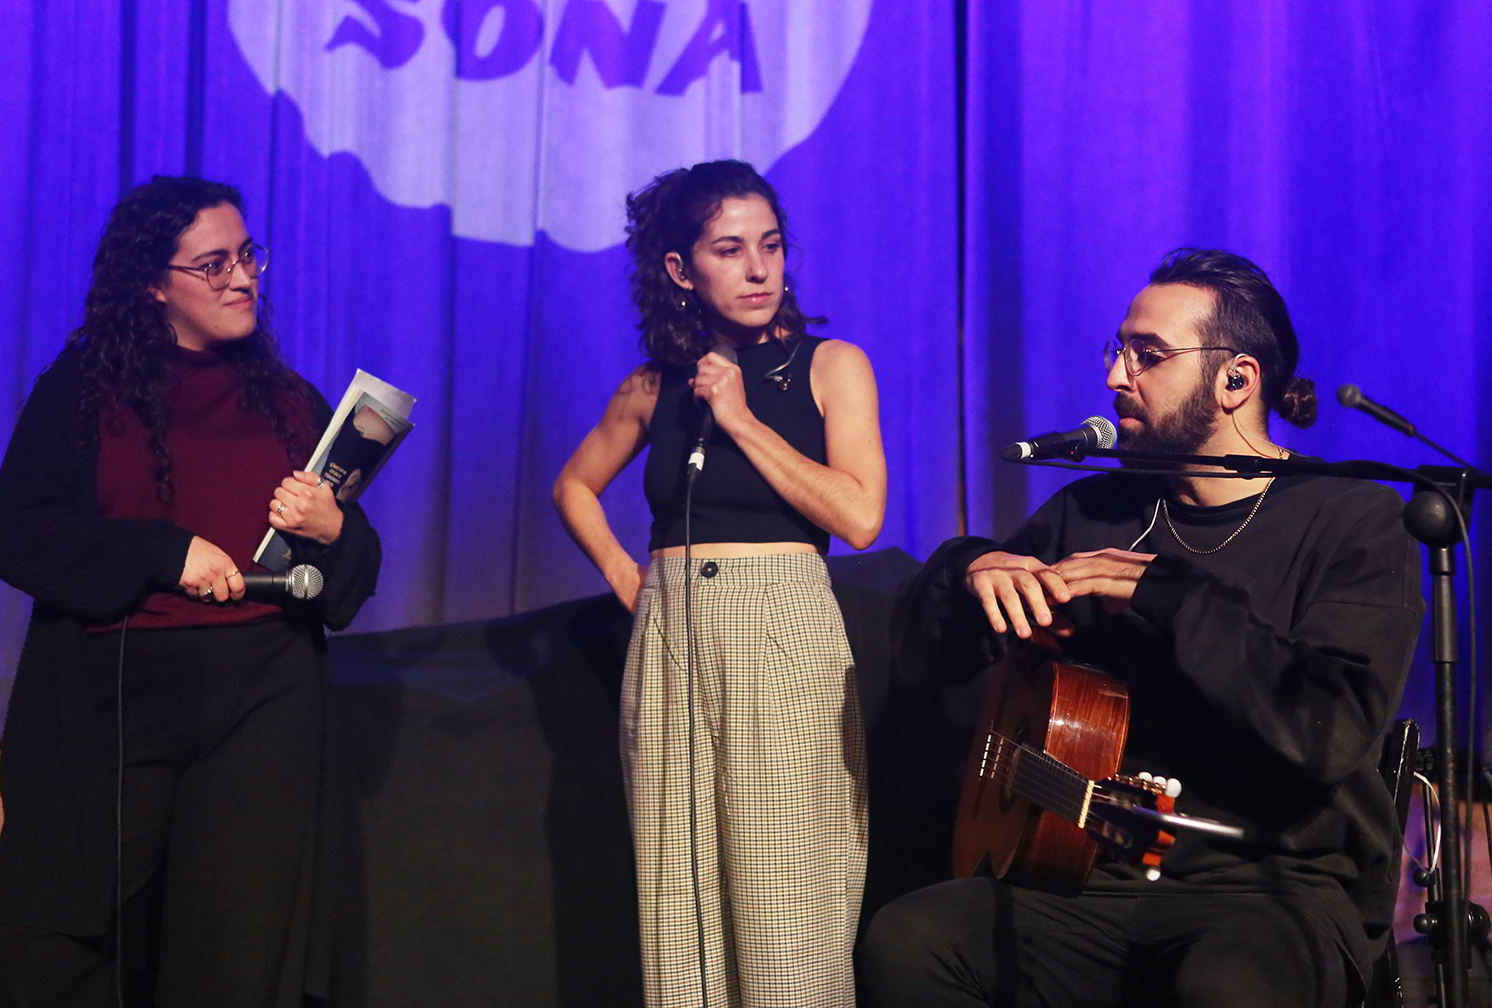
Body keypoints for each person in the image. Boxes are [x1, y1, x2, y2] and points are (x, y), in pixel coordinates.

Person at [860, 249, 1423, 1008]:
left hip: (1274, 889)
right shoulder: (1094, 510)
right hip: (1090, 879)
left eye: (1147, 355)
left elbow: (1328, 729)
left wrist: (1167, 596)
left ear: (1235, 381)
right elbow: (928, 662)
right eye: (1118, 350)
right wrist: (968, 570)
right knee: (911, 940)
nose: (1114, 377)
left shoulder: (1352, 520)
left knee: (1226, 988)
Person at [0, 176, 381, 1006]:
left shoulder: (289, 400)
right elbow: (16, 531)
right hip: (114, 700)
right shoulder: (85, 391)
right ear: (152, 283)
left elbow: (352, 577)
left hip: (265, 697)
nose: (242, 278)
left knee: (238, 946)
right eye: (213, 264)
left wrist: (335, 530)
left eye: (247, 256)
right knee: (67, 942)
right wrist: (162, 552)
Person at [553, 160, 887, 1007]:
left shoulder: (831, 366)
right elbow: (574, 485)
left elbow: (859, 517)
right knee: (678, 892)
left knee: (786, 888)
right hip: (670, 631)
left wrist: (739, 419)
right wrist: (627, 574)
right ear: (680, 269)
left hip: (779, 626)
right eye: (730, 250)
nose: (758, 269)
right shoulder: (656, 386)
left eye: (770, 246)